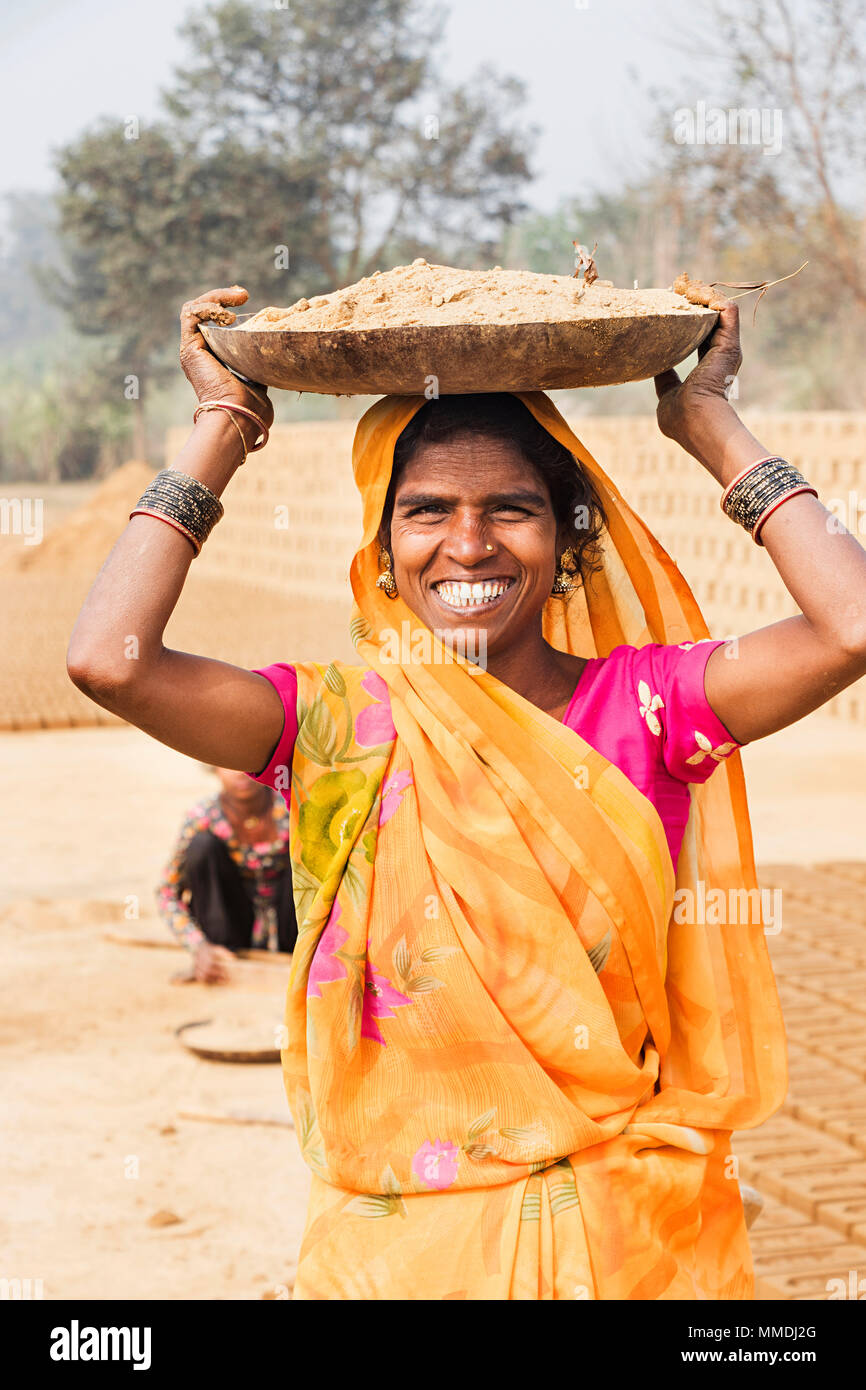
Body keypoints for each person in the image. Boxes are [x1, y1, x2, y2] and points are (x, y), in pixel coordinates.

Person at [66, 283, 866, 1300]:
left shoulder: (651, 705)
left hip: (618, 1244)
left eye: (511, 510)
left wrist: (706, 419)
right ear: (384, 555)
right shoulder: (336, 727)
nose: (470, 542)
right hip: (401, 1256)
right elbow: (109, 662)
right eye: (427, 511)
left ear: (569, 538)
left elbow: (847, 627)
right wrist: (223, 425)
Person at [157, 765, 296, 983]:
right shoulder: (203, 816)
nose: (239, 771)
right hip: (231, 930)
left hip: (294, 929)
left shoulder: (291, 806)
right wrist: (198, 946)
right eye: (228, 764)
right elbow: (167, 893)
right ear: (214, 768)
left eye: (245, 759)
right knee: (202, 846)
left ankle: (308, 951)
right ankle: (220, 952)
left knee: (308, 847)